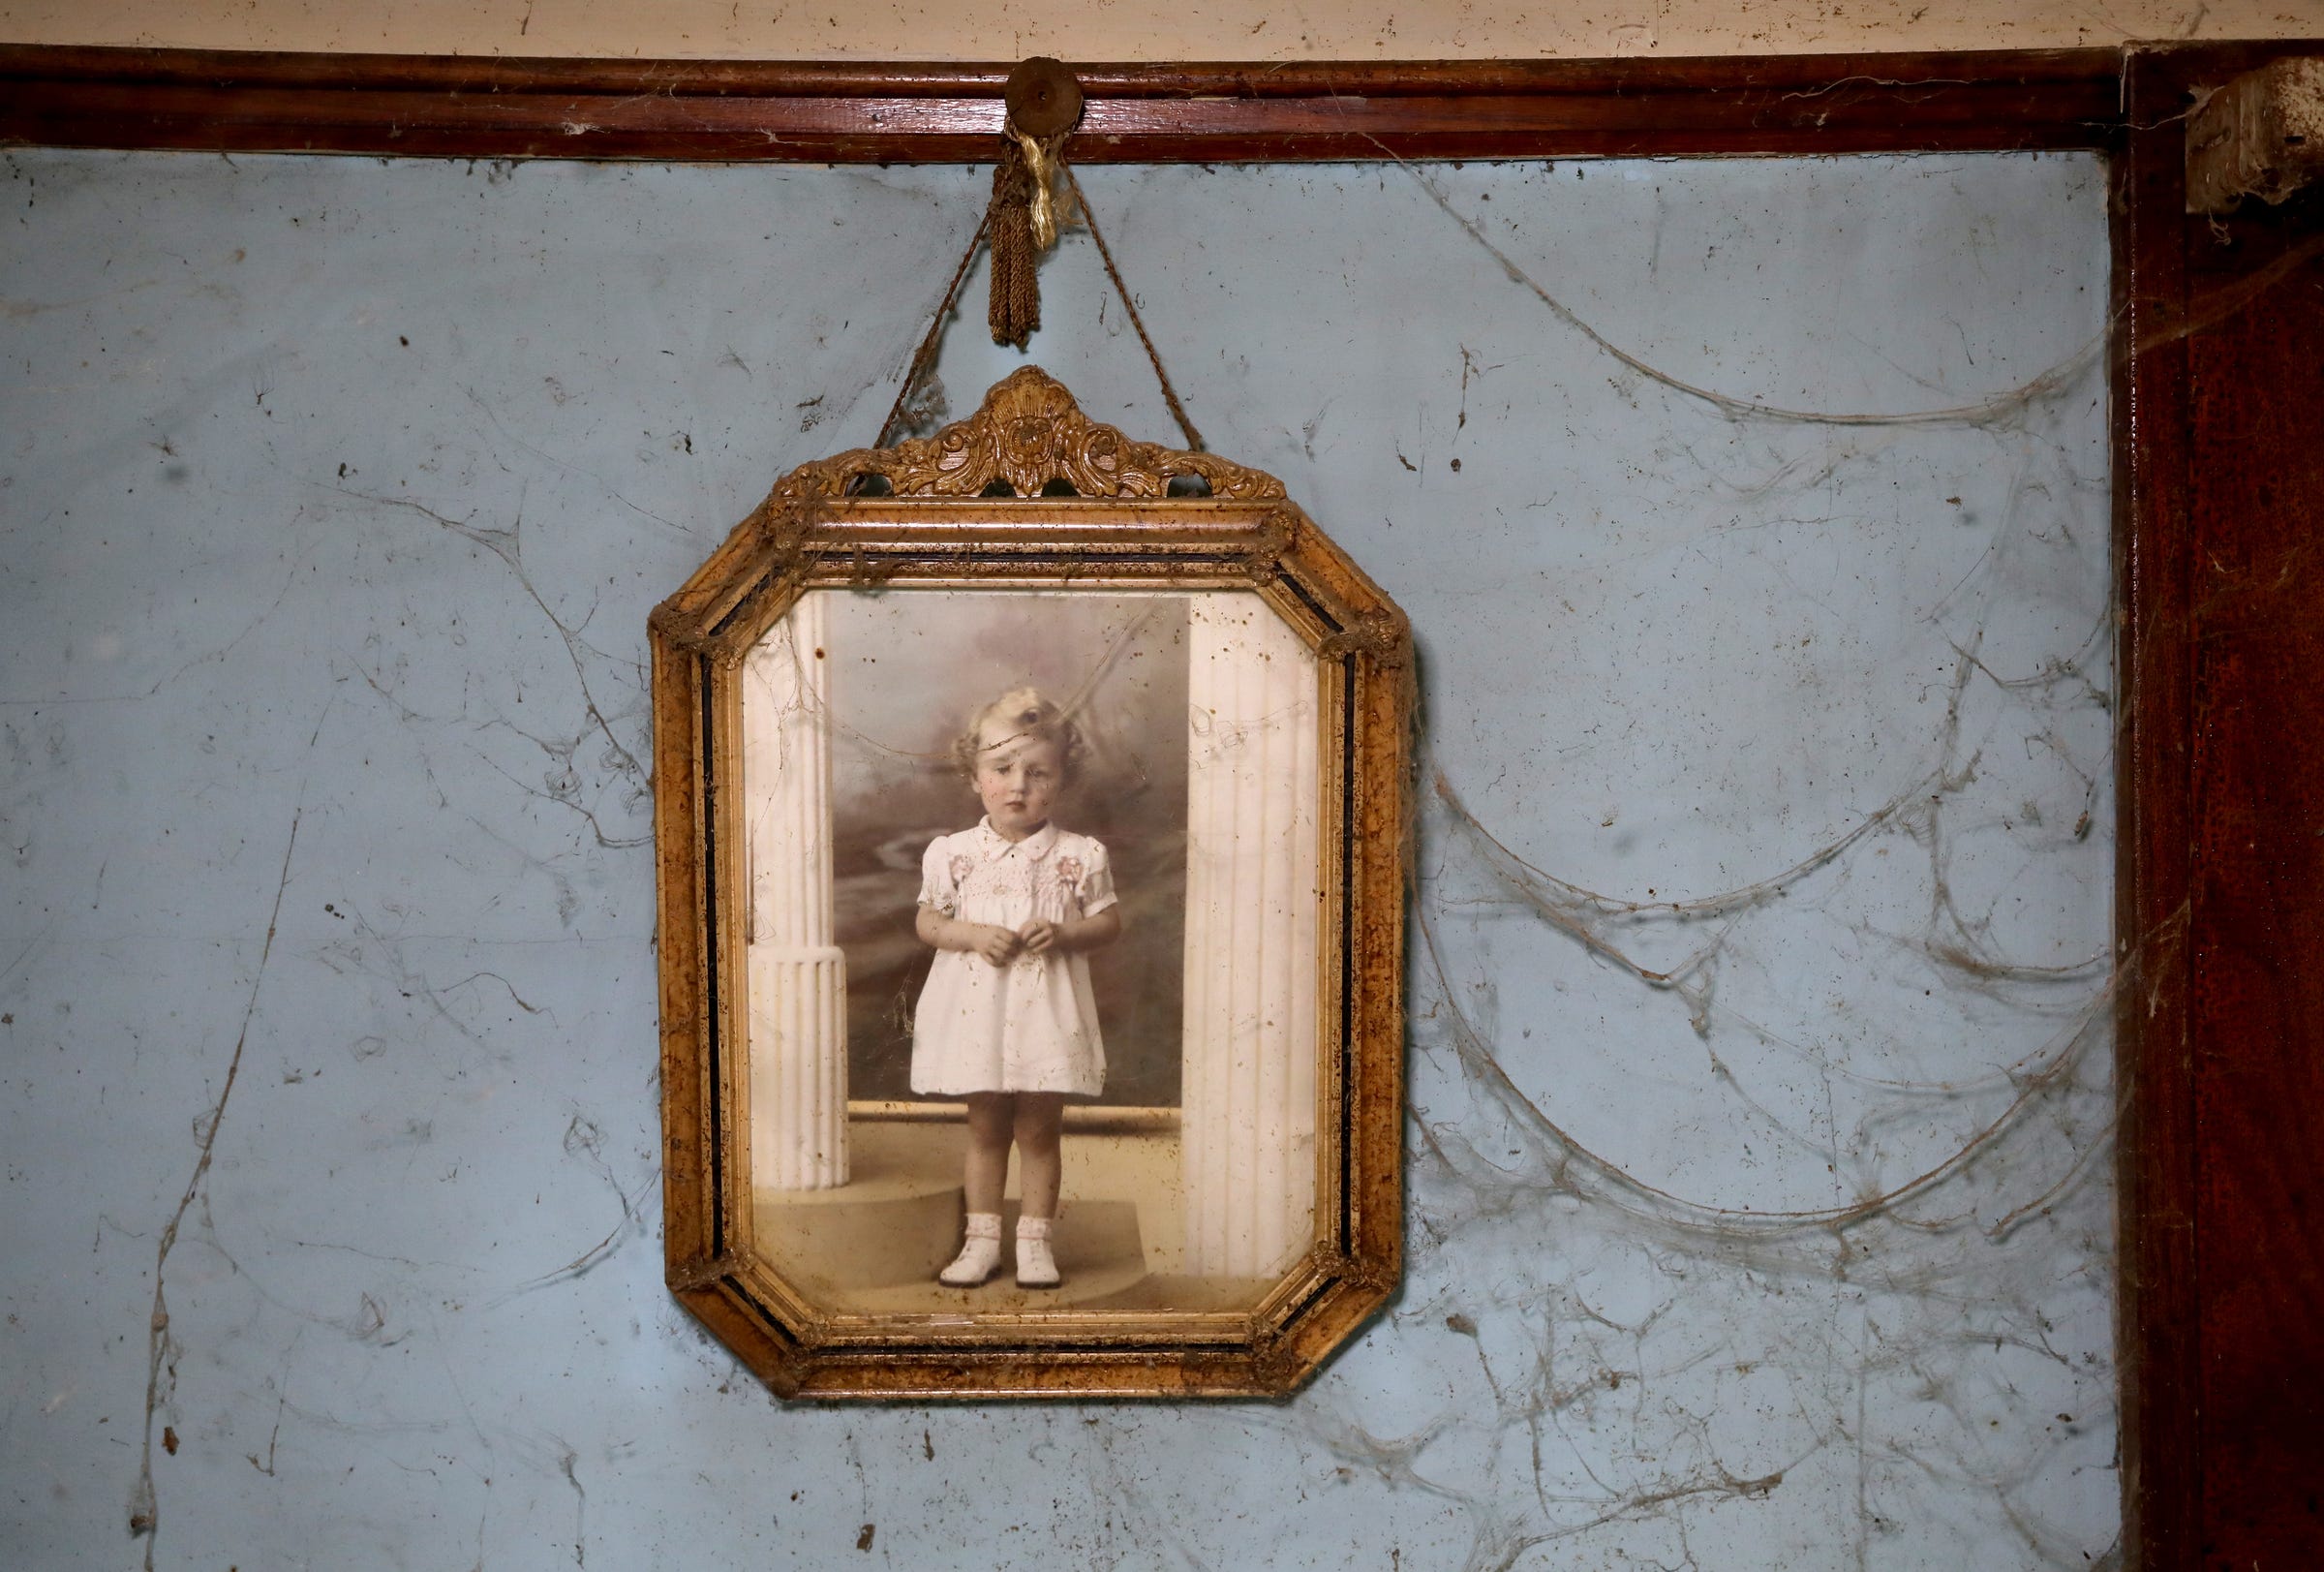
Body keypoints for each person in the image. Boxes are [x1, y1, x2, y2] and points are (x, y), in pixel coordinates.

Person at [910, 687, 1123, 1288]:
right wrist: (973, 934)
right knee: (985, 1128)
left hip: (1045, 1012)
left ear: (1061, 780)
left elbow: (1108, 923)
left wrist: (1063, 931)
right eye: (1001, 769)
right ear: (975, 775)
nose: (1017, 785)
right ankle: (982, 1243)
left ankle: (1035, 1242)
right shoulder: (952, 854)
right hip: (979, 1011)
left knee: (1038, 1130)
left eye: (1037, 773)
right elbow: (928, 922)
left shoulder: (1079, 856)